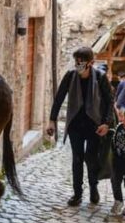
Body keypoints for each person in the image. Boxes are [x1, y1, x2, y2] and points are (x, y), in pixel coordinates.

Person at [47, 46, 114, 206]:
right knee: (77, 159)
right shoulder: (70, 76)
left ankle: (93, 188)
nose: (78, 64)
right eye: (76, 61)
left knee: (91, 159)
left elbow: (109, 101)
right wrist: (52, 121)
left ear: (91, 63)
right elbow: (59, 98)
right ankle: (77, 193)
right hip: (75, 125)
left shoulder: (100, 77)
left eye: (81, 62)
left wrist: (106, 123)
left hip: (94, 125)